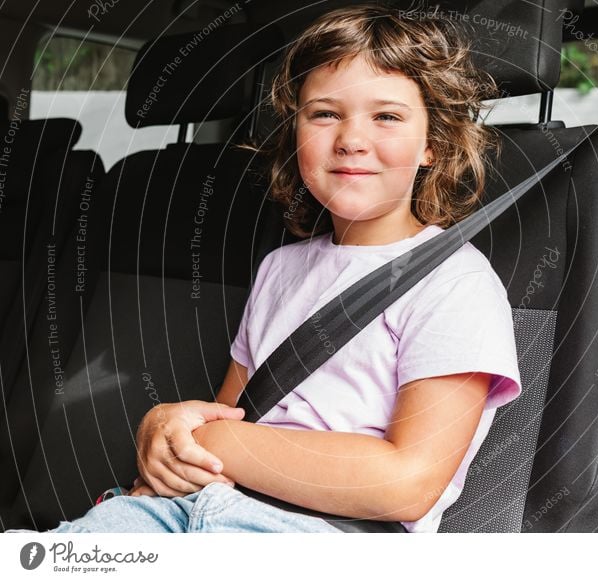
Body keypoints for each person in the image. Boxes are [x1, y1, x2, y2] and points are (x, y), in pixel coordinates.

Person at [8, 3, 522, 534]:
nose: (350, 139)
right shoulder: (281, 267)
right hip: (191, 508)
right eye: (324, 114)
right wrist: (169, 426)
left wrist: (215, 442)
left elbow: (408, 483)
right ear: (295, 131)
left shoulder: (456, 283)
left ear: (432, 145)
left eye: (387, 116)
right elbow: (229, 415)